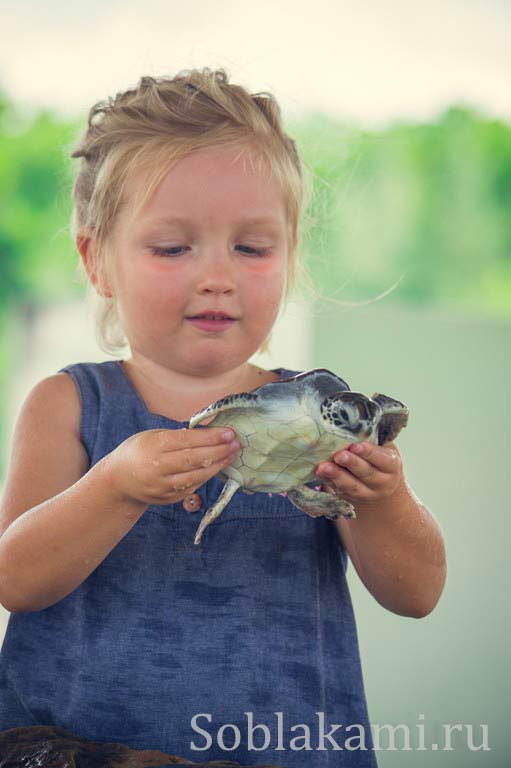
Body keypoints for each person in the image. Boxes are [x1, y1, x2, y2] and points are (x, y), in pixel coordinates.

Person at [0, 69, 446, 766]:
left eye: (252, 247)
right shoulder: (70, 404)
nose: (218, 275)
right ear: (98, 261)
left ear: (290, 255)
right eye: (173, 248)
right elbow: (16, 579)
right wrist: (112, 486)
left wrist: (381, 499)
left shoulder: (330, 414)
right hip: (88, 747)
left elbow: (417, 594)